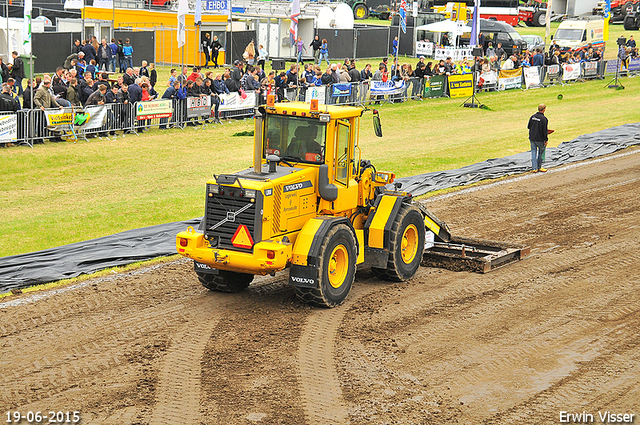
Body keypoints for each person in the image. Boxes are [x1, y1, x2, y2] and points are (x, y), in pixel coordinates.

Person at [527, 103, 553, 173]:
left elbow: (529, 127)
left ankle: (534, 168)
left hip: (532, 137)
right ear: (544, 110)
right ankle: (539, 167)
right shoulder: (544, 119)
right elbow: (544, 131)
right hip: (539, 139)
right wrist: (546, 140)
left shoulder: (532, 117)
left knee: (533, 152)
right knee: (540, 153)